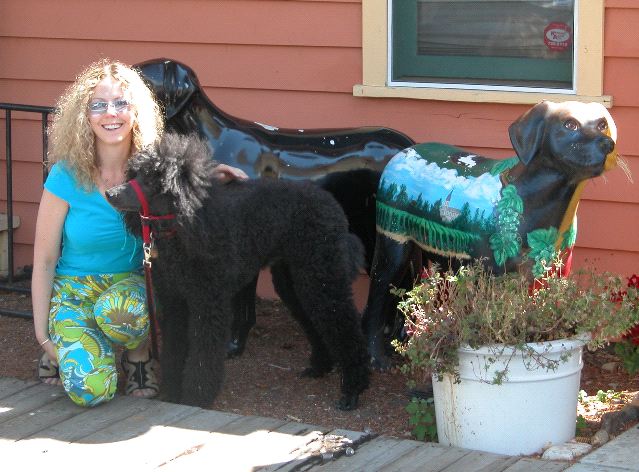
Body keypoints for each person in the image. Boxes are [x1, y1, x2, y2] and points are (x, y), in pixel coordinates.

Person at [32, 59, 247, 406]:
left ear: (136, 111)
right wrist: (44, 336)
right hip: (75, 289)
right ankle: (67, 341)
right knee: (91, 392)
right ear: (83, 116)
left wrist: (208, 176)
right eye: (98, 105)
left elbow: (183, 182)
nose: (110, 113)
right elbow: (43, 261)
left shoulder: (151, 167)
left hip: (128, 286)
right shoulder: (65, 174)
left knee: (121, 312)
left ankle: (137, 358)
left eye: (120, 103)